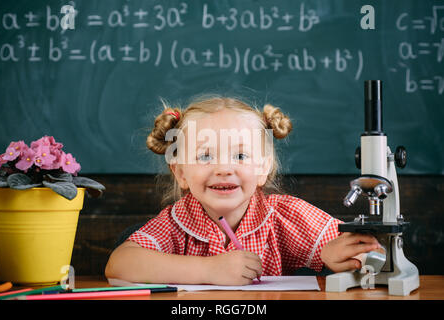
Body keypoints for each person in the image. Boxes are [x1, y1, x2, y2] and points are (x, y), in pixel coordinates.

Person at [105, 95, 381, 285]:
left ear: (263, 168)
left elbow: (369, 253)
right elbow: (119, 264)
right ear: (180, 173)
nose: (224, 169)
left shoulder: (286, 215)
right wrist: (209, 270)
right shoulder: (176, 221)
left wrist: (334, 256)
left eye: (240, 156)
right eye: (205, 156)